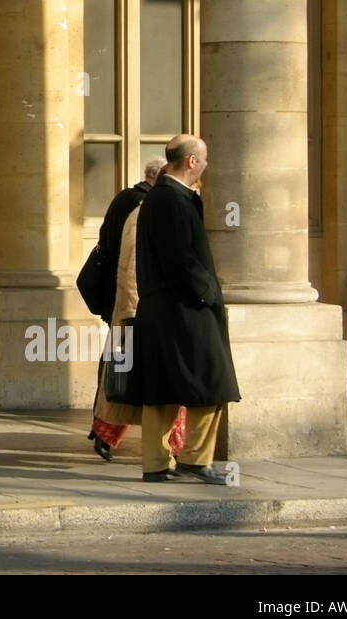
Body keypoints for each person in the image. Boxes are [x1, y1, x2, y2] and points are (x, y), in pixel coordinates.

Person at [131, 134, 241, 484]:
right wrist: (208, 293)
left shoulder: (167, 196)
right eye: (204, 158)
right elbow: (180, 260)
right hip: (184, 309)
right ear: (191, 161)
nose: (207, 165)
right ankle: (194, 457)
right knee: (213, 381)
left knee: (162, 388)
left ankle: (157, 463)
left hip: (166, 308)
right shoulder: (171, 200)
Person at [86, 158, 186, 460]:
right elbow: (131, 267)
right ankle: (175, 448)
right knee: (132, 377)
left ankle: (105, 433)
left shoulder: (126, 200)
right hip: (138, 307)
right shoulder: (146, 210)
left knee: (121, 375)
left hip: (125, 304)